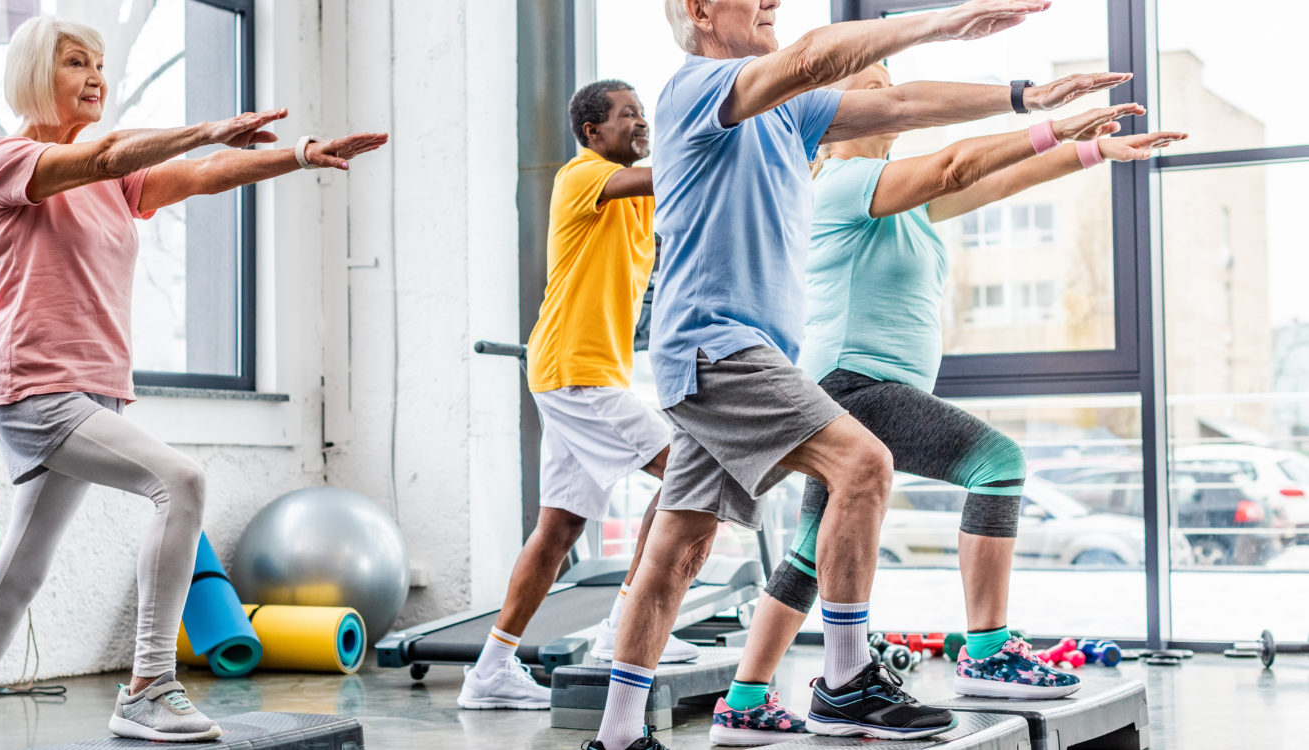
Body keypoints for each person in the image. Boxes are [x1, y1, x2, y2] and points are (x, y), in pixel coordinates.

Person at [583, 1, 1134, 748]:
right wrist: (947, 21)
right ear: (701, 9)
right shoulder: (697, 86)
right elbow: (817, 58)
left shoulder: (791, 116)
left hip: (739, 356)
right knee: (864, 464)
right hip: (718, 347)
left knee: (680, 546)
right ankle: (843, 682)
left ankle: (616, 738)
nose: (773, 2)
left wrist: (1027, 98)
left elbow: (904, 104)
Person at [0, 15, 386, 750]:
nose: (96, 76)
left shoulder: (116, 175)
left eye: (100, 63)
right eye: (76, 63)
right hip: (38, 386)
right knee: (182, 481)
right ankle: (148, 685)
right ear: (38, 72)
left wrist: (300, 153)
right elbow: (103, 159)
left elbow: (199, 176)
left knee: (17, 575)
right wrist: (207, 126)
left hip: (94, 389)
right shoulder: (4, 160)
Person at [708, 62, 1186, 746]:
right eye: (869, 86)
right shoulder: (839, 182)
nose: (887, 94)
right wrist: (1049, 120)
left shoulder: (896, 198)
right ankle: (986, 651)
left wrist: (1095, 151)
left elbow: (1001, 178)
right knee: (998, 464)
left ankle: (744, 701)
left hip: (856, 384)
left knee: (815, 552)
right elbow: (957, 164)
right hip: (855, 384)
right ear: (833, 115)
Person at [458, 79, 701, 712]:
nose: (641, 123)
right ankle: (624, 628)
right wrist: (694, 135)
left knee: (559, 527)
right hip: (576, 369)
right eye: (628, 116)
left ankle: (491, 669)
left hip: (583, 373)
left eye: (644, 114)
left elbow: (688, 196)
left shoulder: (639, 200)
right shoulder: (581, 174)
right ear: (593, 132)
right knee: (690, 477)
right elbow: (663, 172)